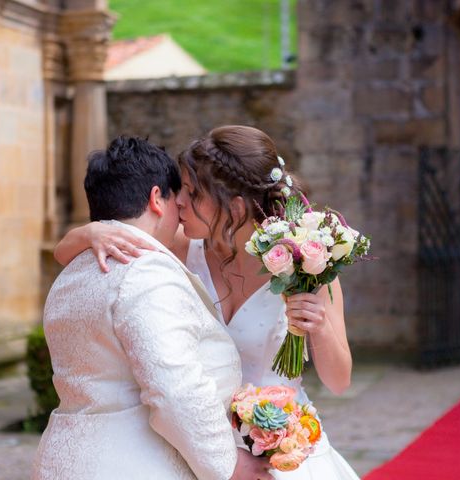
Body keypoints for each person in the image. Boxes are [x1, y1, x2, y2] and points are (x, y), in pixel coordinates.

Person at [54, 126, 361, 479]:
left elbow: (339, 382)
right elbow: (67, 257)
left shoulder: (308, 267)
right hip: (207, 447)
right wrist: (90, 232)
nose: (179, 201)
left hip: (281, 448)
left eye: (193, 193)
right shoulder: (181, 246)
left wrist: (318, 325)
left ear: (235, 206)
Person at [33, 136, 272, 480]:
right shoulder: (146, 273)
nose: (183, 211)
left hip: (63, 459)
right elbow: (175, 390)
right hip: (131, 465)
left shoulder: (72, 272)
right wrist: (228, 464)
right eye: (179, 198)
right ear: (157, 198)